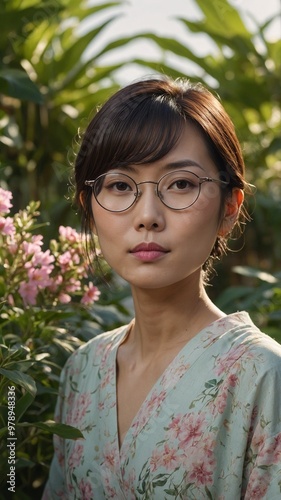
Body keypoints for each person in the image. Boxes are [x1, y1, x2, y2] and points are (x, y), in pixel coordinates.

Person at [43, 77, 281, 499]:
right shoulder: (81, 372)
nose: (148, 216)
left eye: (181, 184)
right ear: (90, 208)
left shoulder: (263, 375)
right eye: (119, 186)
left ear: (229, 208)